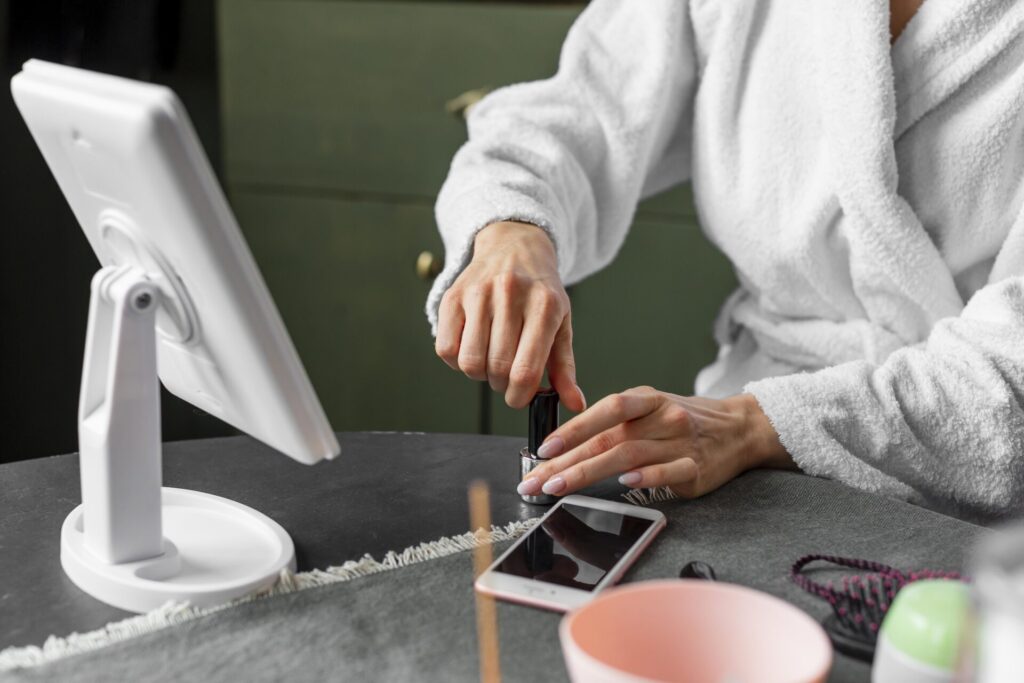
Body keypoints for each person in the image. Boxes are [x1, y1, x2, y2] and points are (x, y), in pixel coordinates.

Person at [426, 0, 1024, 522]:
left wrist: (756, 425)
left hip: (976, 499)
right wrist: (513, 227)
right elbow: (572, 114)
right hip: (734, 455)